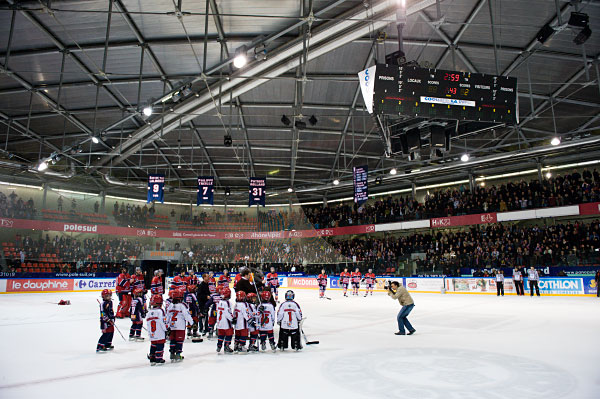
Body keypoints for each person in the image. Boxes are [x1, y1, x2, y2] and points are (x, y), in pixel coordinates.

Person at [166, 288, 193, 362]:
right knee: (179, 340)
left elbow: (167, 316)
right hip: (180, 326)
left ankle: (172, 353)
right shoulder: (182, 305)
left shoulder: (170, 305)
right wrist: (192, 323)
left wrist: (167, 326)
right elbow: (187, 315)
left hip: (172, 326)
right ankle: (178, 354)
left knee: (172, 340)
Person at [146, 294, 167, 365]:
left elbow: (148, 324)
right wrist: (166, 329)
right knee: (160, 344)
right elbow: (163, 322)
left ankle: (152, 357)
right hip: (160, 332)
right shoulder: (160, 311)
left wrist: (149, 333)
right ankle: (158, 358)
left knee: (153, 344)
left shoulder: (149, 312)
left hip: (152, 332)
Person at [216, 287, 234, 354]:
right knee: (229, 334)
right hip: (226, 323)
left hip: (220, 322)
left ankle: (219, 345)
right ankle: (227, 346)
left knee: (221, 335)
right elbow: (227, 313)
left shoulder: (219, 302)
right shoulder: (227, 303)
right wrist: (232, 319)